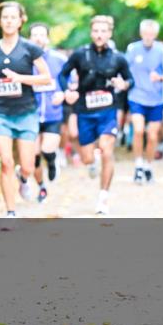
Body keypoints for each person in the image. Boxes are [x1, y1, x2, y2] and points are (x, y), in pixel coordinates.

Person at [0, 1, 52, 218]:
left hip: (26, 112)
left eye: (13, 17)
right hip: (0, 113)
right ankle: (11, 211)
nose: (9, 21)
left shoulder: (30, 48)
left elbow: (46, 78)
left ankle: (23, 176)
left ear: (21, 21)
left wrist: (21, 78)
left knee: (27, 166)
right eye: (5, 17)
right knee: (6, 162)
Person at [57, 15, 133, 215]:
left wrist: (123, 84)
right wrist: (68, 91)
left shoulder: (118, 58)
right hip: (84, 110)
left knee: (107, 150)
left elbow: (130, 80)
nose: (99, 35)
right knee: (87, 158)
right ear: (91, 33)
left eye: (103, 31)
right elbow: (62, 74)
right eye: (96, 31)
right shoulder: (80, 54)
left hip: (108, 111)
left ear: (109, 33)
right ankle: (92, 163)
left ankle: (103, 198)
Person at [124, 20, 163, 185]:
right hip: (136, 97)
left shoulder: (162, 51)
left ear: (155, 35)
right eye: (145, 34)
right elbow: (124, 70)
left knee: (153, 135)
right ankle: (138, 165)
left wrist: (160, 77)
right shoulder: (133, 49)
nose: (148, 37)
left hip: (156, 99)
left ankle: (148, 166)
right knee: (138, 130)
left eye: (151, 34)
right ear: (141, 34)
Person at [28, 23, 68, 203]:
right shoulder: (23, 61)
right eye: (34, 35)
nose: (38, 38)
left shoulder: (59, 59)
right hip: (30, 114)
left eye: (41, 35)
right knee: (33, 154)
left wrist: (63, 94)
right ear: (29, 39)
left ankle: (52, 162)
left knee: (47, 149)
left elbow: (71, 81)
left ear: (48, 39)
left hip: (53, 113)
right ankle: (41, 187)